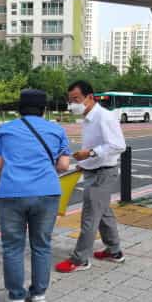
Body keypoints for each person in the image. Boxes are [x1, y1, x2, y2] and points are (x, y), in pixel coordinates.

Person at [0, 89, 71, 302]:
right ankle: (38, 295)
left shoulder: (4, 130)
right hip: (47, 193)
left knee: (12, 247)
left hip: (11, 193)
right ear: (44, 109)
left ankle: (16, 298)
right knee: (42, 245)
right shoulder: (57, 130)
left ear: (19, 108)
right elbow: (64, 166)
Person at [56, 80, 127, 274]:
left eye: (76, 99)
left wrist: (89, 154)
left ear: (90, 97)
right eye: (70, 100)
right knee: (104, 213)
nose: (72, 104)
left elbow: (118, 145)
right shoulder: (88, 118)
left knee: (90, 216)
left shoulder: (104, 117)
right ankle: (114, 251)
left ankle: (80, 259)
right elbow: (97, 147)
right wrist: (84, 163)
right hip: (94, 170)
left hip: (103, 174)